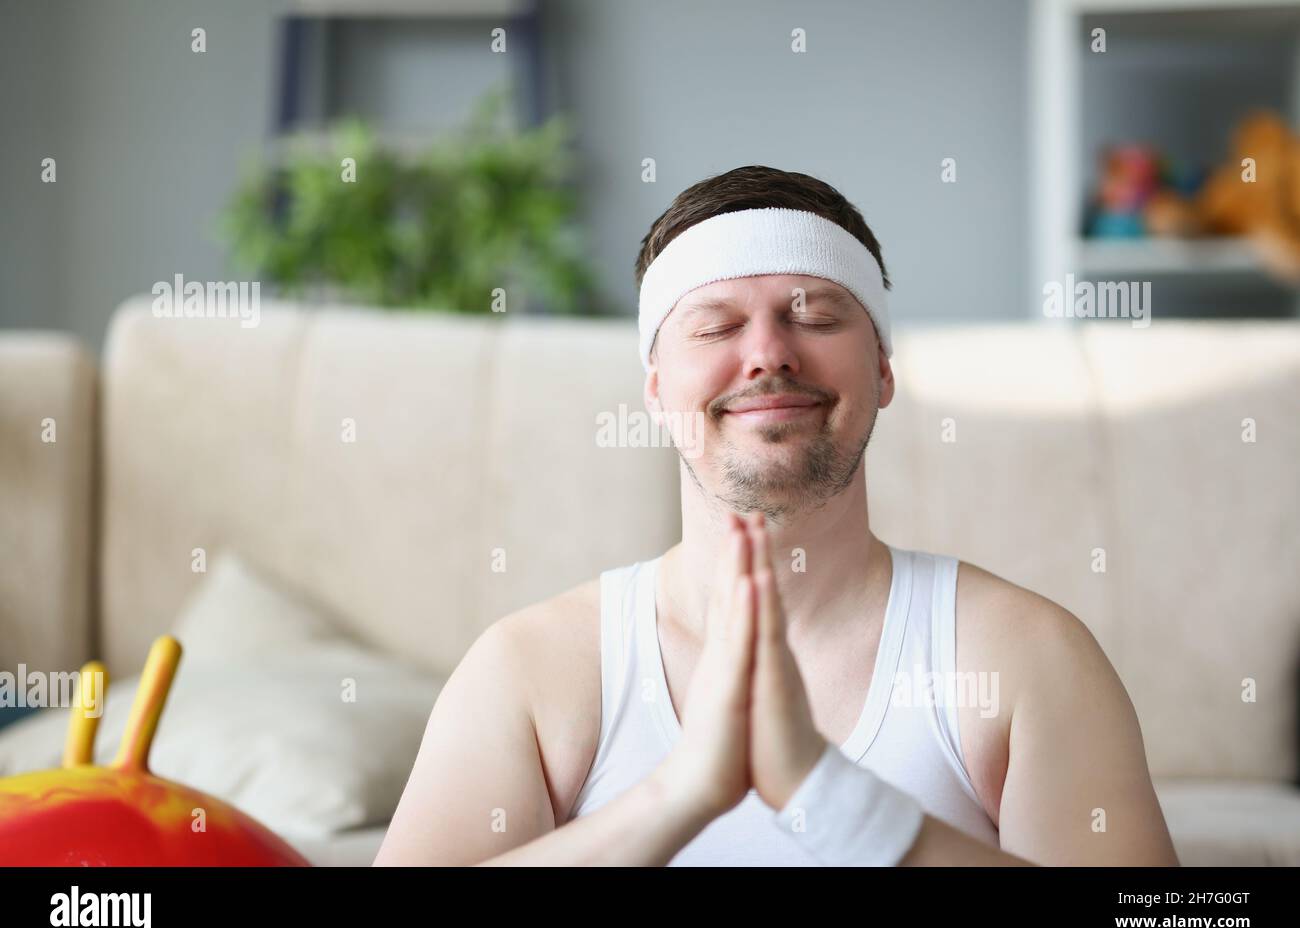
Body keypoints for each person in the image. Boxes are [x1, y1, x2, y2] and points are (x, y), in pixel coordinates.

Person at [374, 165, 1180, 866]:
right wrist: (676, 798)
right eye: (717, 325)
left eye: (818, 316)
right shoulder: (532, 669)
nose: (768, 354)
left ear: (884, 370)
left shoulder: (1026, 656)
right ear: (655, 391)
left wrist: (838, 802)